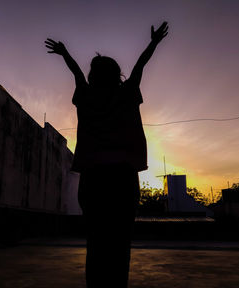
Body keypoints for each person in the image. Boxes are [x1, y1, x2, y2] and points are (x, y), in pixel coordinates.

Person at [45, 21, 168, 288]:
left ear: (93, 76)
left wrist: (65, 53)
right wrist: (154, 42)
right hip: (123, 178)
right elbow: (140, 65)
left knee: (96, 242)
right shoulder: (126, 94)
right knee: (120, 245)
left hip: (94, 178)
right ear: (117, 74)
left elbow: (77, 73)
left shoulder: (86, 95)